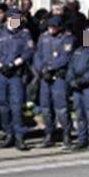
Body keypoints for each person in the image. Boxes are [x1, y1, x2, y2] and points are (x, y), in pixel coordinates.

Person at [0, 8, 34, 150]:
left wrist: (14, 63)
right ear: (8, 19)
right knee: (2, 105)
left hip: (16, 74)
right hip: (1, 74)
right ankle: (8, 134)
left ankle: (19, 136)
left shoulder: (24, 34)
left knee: (16, 105)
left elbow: (29, 52)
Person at [34, 15, 76, 149]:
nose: (51, 29)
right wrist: (41, 68)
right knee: (46, 108)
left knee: (61, 108)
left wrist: (51, 68)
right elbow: (37, 55)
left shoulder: (67, 38)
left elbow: (66, 57)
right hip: (45, 78)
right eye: (49, 27)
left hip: (58, 77)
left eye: (54, 27)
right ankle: (49, 134)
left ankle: (66, 134)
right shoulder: (43, 37)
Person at [66, 26, 89, 151]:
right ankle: (82, 138)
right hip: (77, 88)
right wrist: (71, 80)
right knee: (79, 114)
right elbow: (71, 67)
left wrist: (82, 80)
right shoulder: (78, 51)